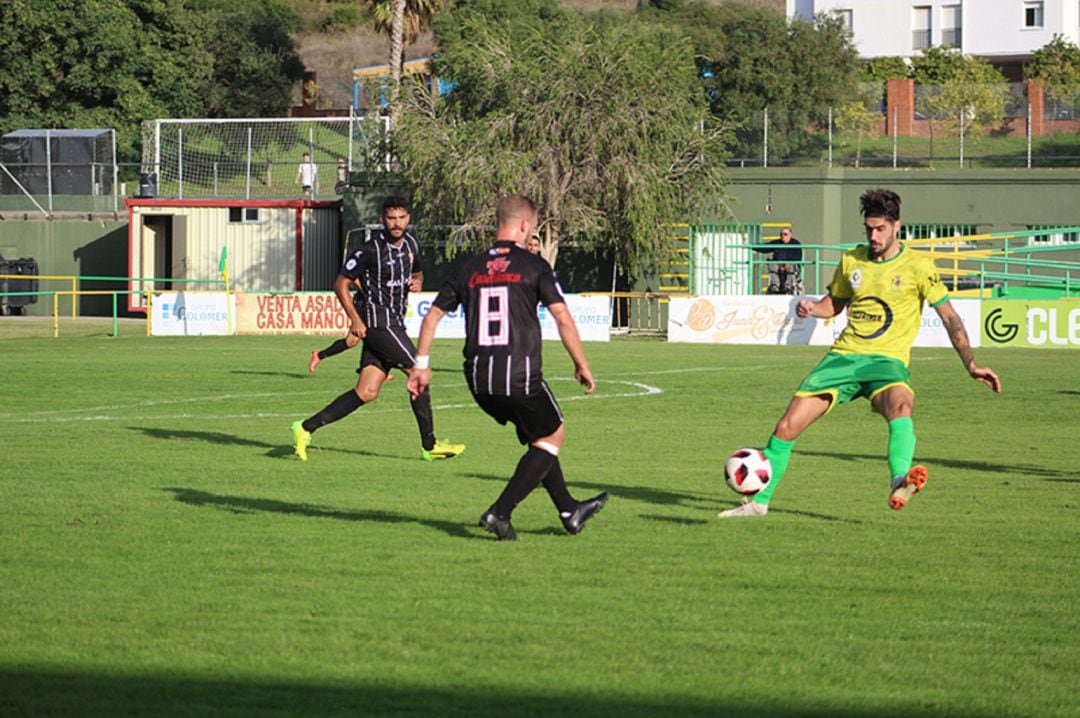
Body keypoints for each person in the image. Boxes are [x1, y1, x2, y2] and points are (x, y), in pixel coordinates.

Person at [719, 189, 1001, 519]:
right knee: (786, 427)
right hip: (843, 358)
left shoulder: (919, 267)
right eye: (869, 228)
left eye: (880, 228)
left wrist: (971, 364)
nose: (873, 235)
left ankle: (899, 480)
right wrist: (813, 308)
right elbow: (834, 304)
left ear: (897, 225)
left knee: (901, 406)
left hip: (886, 362)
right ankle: (758, 502)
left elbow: (950, 317)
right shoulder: (852, 260)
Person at [407, 195, 607, 541]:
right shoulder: (533, 266)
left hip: (478, 379)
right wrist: (581, 364)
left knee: (538, 438)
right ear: (526, 225)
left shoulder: (468, 268)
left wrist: (421, 365)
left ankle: (569, 510)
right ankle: (500, 512)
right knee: (552, 434)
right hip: (519, 374)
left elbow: (433, 315)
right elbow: (562, 317)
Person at [292, 196, 464, 462]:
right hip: (379, 322)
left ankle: (305, 427)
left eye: (401, 218)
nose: (396, 224)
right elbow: (340, 284)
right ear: (382, 220)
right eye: (391, 219)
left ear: (408, 218)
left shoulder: (411, 244)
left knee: (366, 392)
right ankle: (430, 445)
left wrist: (417, 282)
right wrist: (356, 319)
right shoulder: (368, 251)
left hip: (394, 321)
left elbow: (417, 273)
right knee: (419, 374)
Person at [307, 279, 398, 380]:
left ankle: (319, 355)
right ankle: (371, 370)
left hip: (374, 302)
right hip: (364, 303)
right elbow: (354, 277)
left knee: (351, 341)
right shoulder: (365, 264)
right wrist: (367, 290)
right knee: (378, 334)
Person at [752, 226, 802, 294]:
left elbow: (798, 257)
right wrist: (752, 246)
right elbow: (765, 248)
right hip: (778, 265)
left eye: (785, 234)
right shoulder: (777, 243)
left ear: (790, 235)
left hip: (791, 265)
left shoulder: (796, 244)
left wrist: (788, 263)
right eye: (781, 234)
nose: (783, 236)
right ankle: (774, 286)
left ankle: (788, 286)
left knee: (791, 266)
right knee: (772, 264)